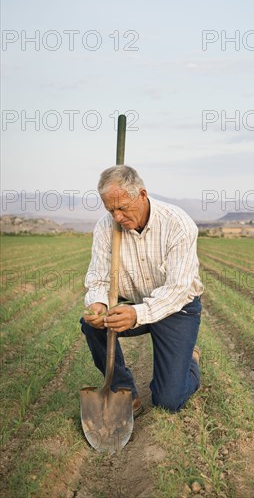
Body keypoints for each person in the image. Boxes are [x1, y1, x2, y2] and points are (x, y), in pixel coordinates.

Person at [81, 165, 204, 415]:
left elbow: (179, 289)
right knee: (91, 325)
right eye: (110, 209)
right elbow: (98, 279)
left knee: (168, 401)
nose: (116, 217)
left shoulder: (178, 224)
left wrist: (137, 314)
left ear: (143, 195)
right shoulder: (106, 227)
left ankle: (190, 361)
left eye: (122, 208)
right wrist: (98, 305)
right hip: (133, 302)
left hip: (176, 309)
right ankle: (124, 393)